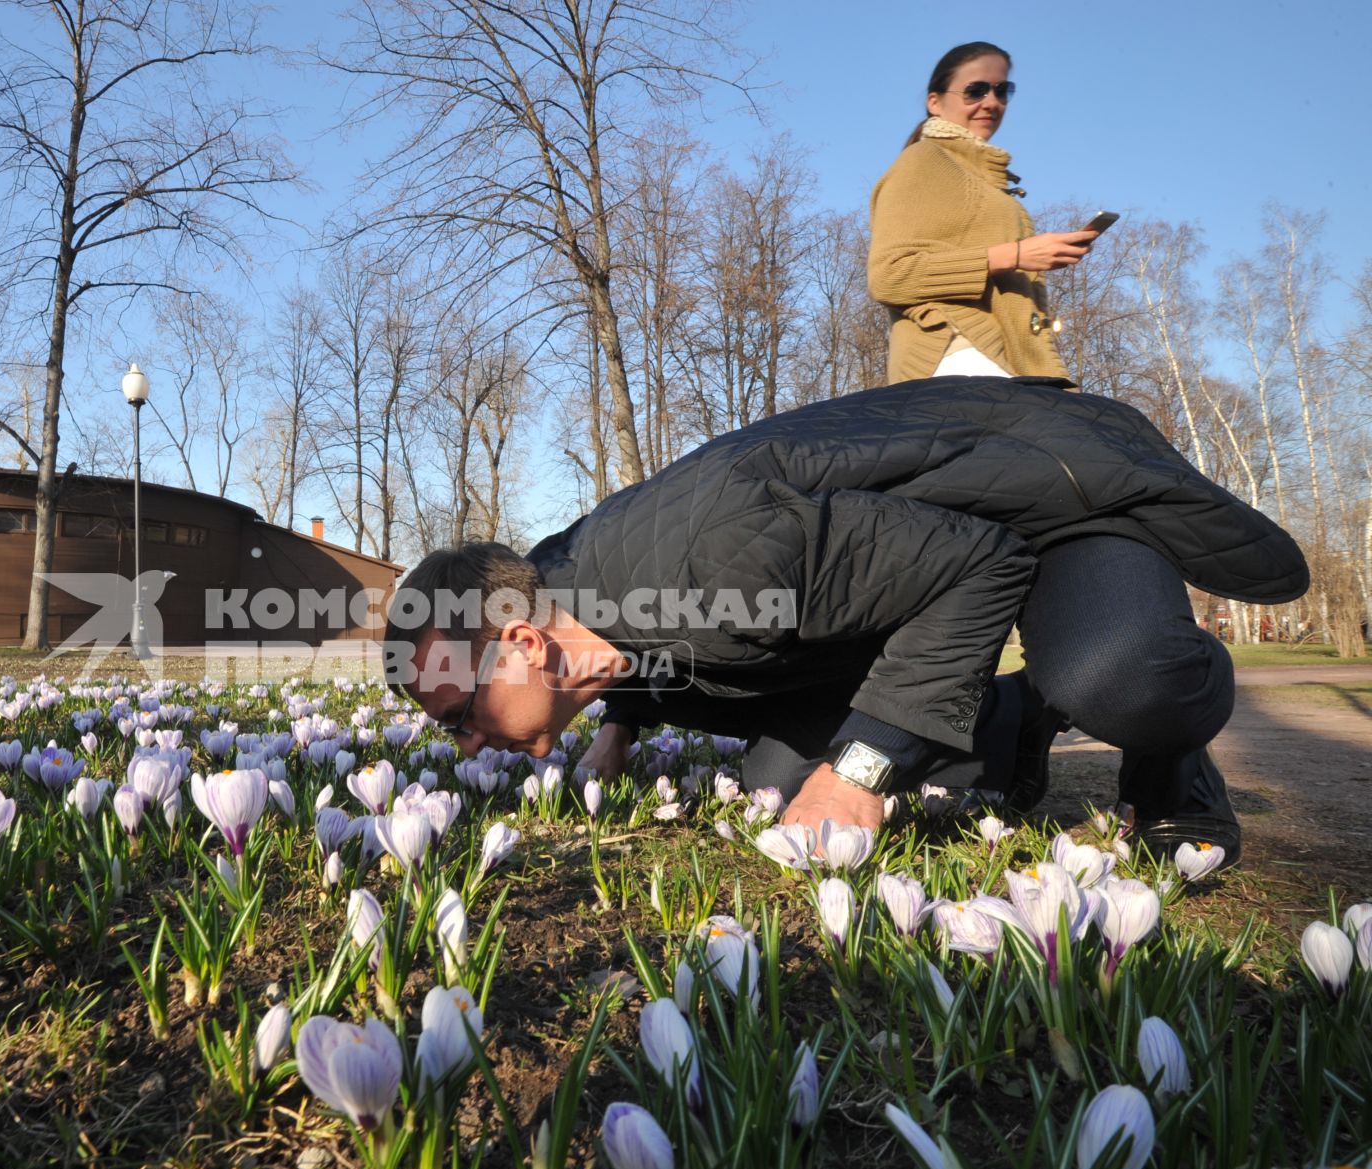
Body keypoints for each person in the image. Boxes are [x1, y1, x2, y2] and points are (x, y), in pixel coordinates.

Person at [383, 380, 1311, 864]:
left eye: (458, 713)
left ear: (519, 644)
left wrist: (865, 769)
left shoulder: (716, 564)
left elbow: (981, 562)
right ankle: (1020, 720)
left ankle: (1171, 762)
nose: (464, 744)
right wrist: (613, 732)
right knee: (784, 776)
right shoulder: (556, 584)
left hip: (1052, 505)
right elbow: (607, 633)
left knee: (1120, 675)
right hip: (922, 553)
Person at [869, 42, 1101, 383]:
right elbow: (889, 276)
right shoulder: (923, 160)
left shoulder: (982, 176)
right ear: (934, 102)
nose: (991, 102)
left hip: (1006, 365)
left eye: (1002, 91)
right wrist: (1017, 254)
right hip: (961, 359)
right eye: (975, 90)